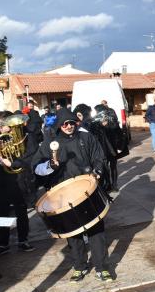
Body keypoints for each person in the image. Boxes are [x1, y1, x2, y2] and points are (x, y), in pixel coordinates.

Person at [32, 109, 112, 282]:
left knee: (96, 231)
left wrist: (97, 172)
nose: (69, 126)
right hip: (63, 194)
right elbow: (36, 166)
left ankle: (102, 268)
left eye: (72, 123)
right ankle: (79, 266)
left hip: (86, 192)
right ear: (59, 125)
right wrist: (50, 166)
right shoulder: (50, 143)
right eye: (65, 124)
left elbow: (99, 157)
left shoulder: (86, 138)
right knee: (72, 234)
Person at [0, 112, 35, 254]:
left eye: (3, 124)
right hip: (1, 181)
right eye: (0, 125)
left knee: (21, 211)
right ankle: (2, 242)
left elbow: (30, 157)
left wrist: (12, 162)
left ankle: (23, 240)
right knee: (2, 213)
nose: (2, 128)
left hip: (19, 179)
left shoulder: (24, 137)